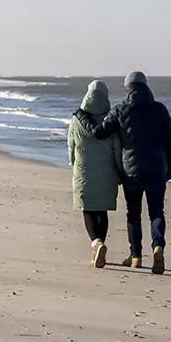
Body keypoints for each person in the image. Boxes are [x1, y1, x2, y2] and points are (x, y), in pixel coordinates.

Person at [73, 71, 171, 275]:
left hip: (131, 171)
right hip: (157, 169)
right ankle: (158, 247)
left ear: (127, 88)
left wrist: (82, 115)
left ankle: (136, 256)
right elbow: (170, 142)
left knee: (134, 213)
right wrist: (170, 168)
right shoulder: (160, 109)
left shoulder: (121, 110)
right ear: (146, 86)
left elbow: (98, 132)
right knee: (156, 212)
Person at [67, 79, 125, 268]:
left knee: (88, 209)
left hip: (84, 171)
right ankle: (100, 244)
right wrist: (119, 171)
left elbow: (71, 145)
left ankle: (96, 243)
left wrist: (74, 165)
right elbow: (117, 148)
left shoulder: (77, 120)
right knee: (102, 210)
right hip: (107, 172)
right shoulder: (111, 119)